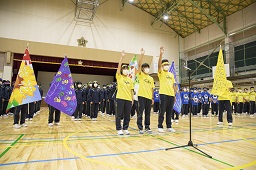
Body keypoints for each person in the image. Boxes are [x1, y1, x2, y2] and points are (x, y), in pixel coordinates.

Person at [157, 46, 177, 133]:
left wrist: (174, 95)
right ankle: (160, 126)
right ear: (162, 66)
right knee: (162, 111)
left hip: (171, 95)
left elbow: (173, 85)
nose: (166, 66)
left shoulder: (171, 74)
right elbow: (158, 65)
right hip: (163, 94)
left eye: (167, 65)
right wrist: (161, 54)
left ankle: (169, 126)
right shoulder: (161, 73)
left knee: (169, 111)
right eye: (165, 65)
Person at [115, 50, 134, 135]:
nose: (125, 70)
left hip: (128, 99)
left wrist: (132, 99)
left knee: (127, 115)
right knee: (119, 114)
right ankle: (119, 129)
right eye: (124, 69)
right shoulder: (119, 77)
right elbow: (118, 67)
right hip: (120, 98)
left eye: (127, 69)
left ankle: (125, 128)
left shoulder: (130, 80)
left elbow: (131, 90)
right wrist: (122, 57)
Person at [137, 48, 155, 134]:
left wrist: (152, 98)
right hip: (141, 96)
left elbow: (152, 88)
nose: (147, 69)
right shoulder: (140, 75)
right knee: (141, 113)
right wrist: (142, 55)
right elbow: (139, 64)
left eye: (148, 67)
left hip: (148, 97)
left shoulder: (151, 78)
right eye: (145, 67)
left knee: (148, 113)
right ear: (143, 69)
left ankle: (147, 127)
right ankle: (140, 128)